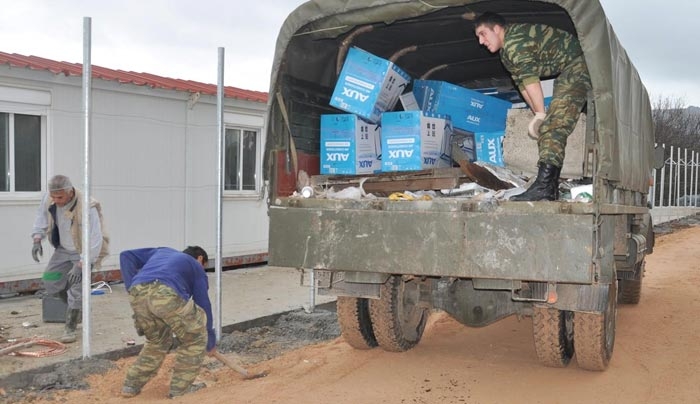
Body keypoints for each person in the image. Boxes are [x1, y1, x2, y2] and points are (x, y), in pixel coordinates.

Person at [474, 12, 592, 201]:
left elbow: (531, 80)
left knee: (553, 127)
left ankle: (544, 187)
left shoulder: (514, 43)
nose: (481, 41)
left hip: (578, 65)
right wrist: (537, 114)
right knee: (547, 124)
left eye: (483, 34)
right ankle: (549, 188)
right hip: (570, 68)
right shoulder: (505, 54)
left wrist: (541, 115)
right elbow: (522, 85)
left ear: (496, 29)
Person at [119, 246, 216, 399]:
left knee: (157, 341)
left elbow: (126, 255)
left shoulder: (163, 251)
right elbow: (203, 303)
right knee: (194, 339)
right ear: (200, 259)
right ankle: (180, 390)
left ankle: (131, 385)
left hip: (138, 294)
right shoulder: (196, 266)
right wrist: (209, 340)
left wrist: (131, 287)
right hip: (166, 293)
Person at [31, 174, 109, 343]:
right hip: (63, 250)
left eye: (59, 197)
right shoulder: (50, 198)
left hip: (83, 251)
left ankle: (71, 326)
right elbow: (41, 217)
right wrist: (37, 239)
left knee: (76, 287)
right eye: (53, 196)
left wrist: (82, 264)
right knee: (50, 280)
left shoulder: (88, 205)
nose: (56, 200)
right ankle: (77, 309)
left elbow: (95, 239)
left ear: (70, 192)